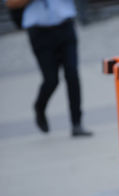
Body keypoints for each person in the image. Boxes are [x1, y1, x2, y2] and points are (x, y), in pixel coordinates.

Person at [5, 0, 93, 137]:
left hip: (65, 25)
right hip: (39, 31)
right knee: (51, 80)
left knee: (72, 74)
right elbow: (11, 3)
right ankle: (40, 107)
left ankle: (77, 123)